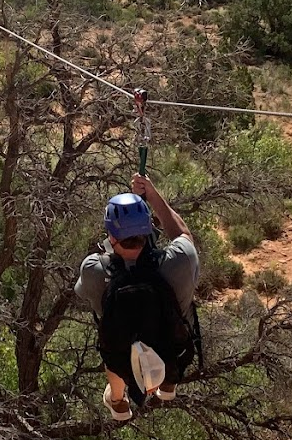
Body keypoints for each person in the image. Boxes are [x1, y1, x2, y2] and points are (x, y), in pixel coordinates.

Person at [75, 174, 199, 421]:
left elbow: (85, 295)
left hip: (123, 361)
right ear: (148, 228)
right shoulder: (181, 260)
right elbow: (183, 234)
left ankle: (119, 401)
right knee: (180, 316)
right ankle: (167, 383)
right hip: (173, 348)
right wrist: (151, 195)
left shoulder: (93, 270)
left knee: (110, 333)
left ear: (111, 235)